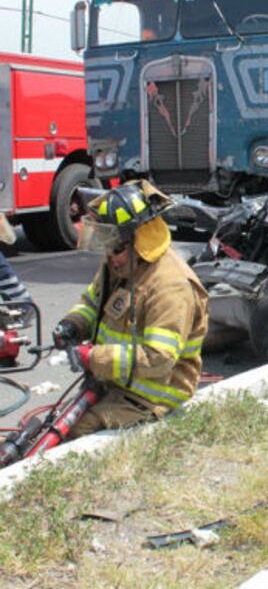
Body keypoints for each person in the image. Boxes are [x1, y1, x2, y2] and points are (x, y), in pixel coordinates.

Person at [53, 181, 209, 438]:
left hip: (150, 395)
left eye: (116, 246)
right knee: (47, 425)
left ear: (142, 239)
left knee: (72, 433)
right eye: (106, 244)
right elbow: (92, 303)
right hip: (114, 384)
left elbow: (158, 358)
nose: (110, 254)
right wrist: (73, 324)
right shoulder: (119, 265)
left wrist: (92, 358)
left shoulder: (171, 285)